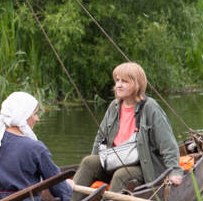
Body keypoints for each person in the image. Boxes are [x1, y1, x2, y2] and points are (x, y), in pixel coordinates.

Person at [73, 62, 185, 193]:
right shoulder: (114, 106)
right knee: (88, 162)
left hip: (144, 167)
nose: (118, 85)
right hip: (115, 161)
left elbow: (167, 143)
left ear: (136, 84)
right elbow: (100, 138)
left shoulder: (150, 107)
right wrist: (95, 164)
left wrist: (175, 171)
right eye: (117, 80)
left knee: (121, 175)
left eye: (124, 81)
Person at [0, 91, 72, 201]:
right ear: (24, 115)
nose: (37, 119)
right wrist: (69, 187)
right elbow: (57, 184)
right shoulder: (35, 148)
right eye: (35, 114)